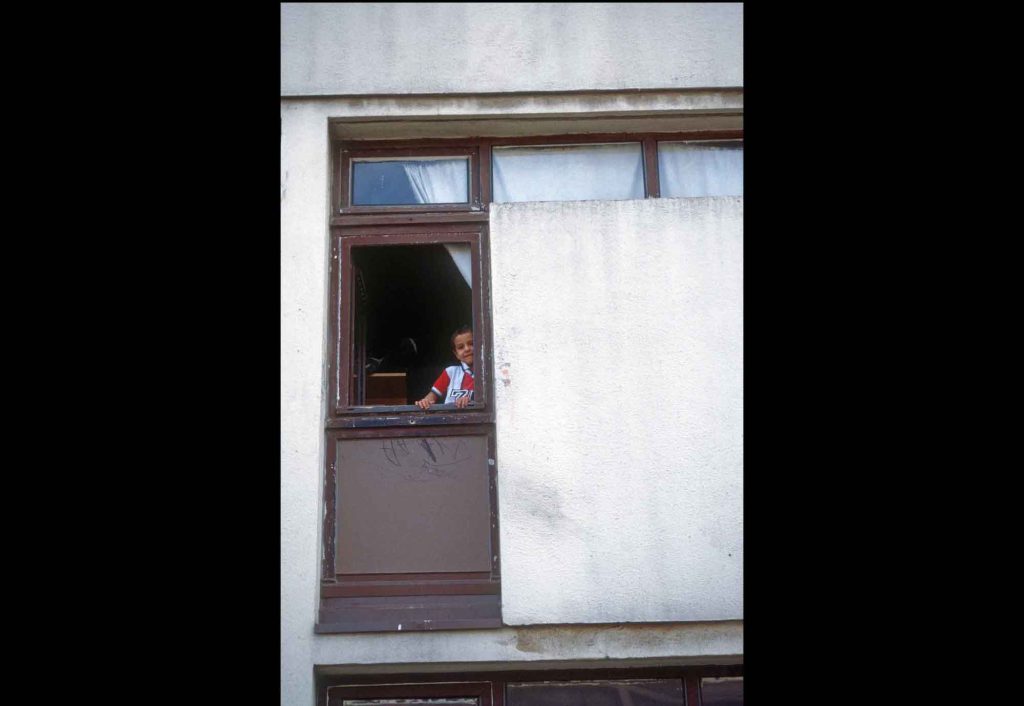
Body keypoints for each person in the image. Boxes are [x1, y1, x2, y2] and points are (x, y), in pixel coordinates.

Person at [416, 326, 474, 409]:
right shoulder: (450, 372)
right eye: (461, 347)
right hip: (450, 419)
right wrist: (424, 402)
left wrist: (471, 401)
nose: (467, 349)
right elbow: (430, 398)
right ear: (456, 354)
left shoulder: (487, 373)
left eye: (471, 344)